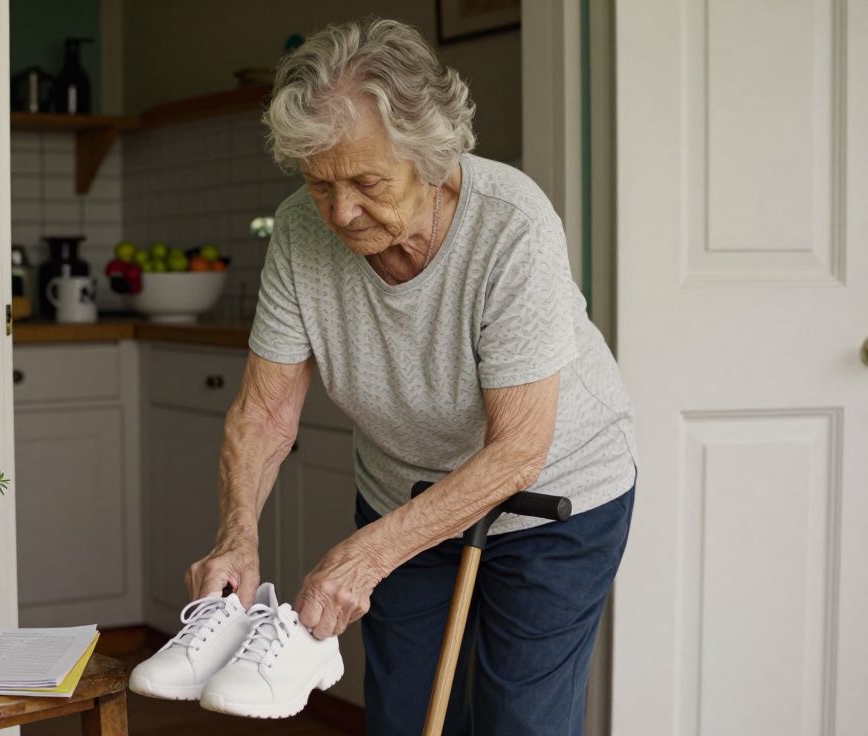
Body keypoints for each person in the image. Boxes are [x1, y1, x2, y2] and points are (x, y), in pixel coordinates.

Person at [185, 18, 637, 735]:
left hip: (558, 496)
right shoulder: (302, 232)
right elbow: (265, 414)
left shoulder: (511, 226)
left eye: (366, 181)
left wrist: (367, 554)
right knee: (405, 715)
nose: (340, 211)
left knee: (519, 719)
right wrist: (237, 534)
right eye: (318, 182)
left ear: (431, 155)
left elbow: (519, 449)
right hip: (404, 492)